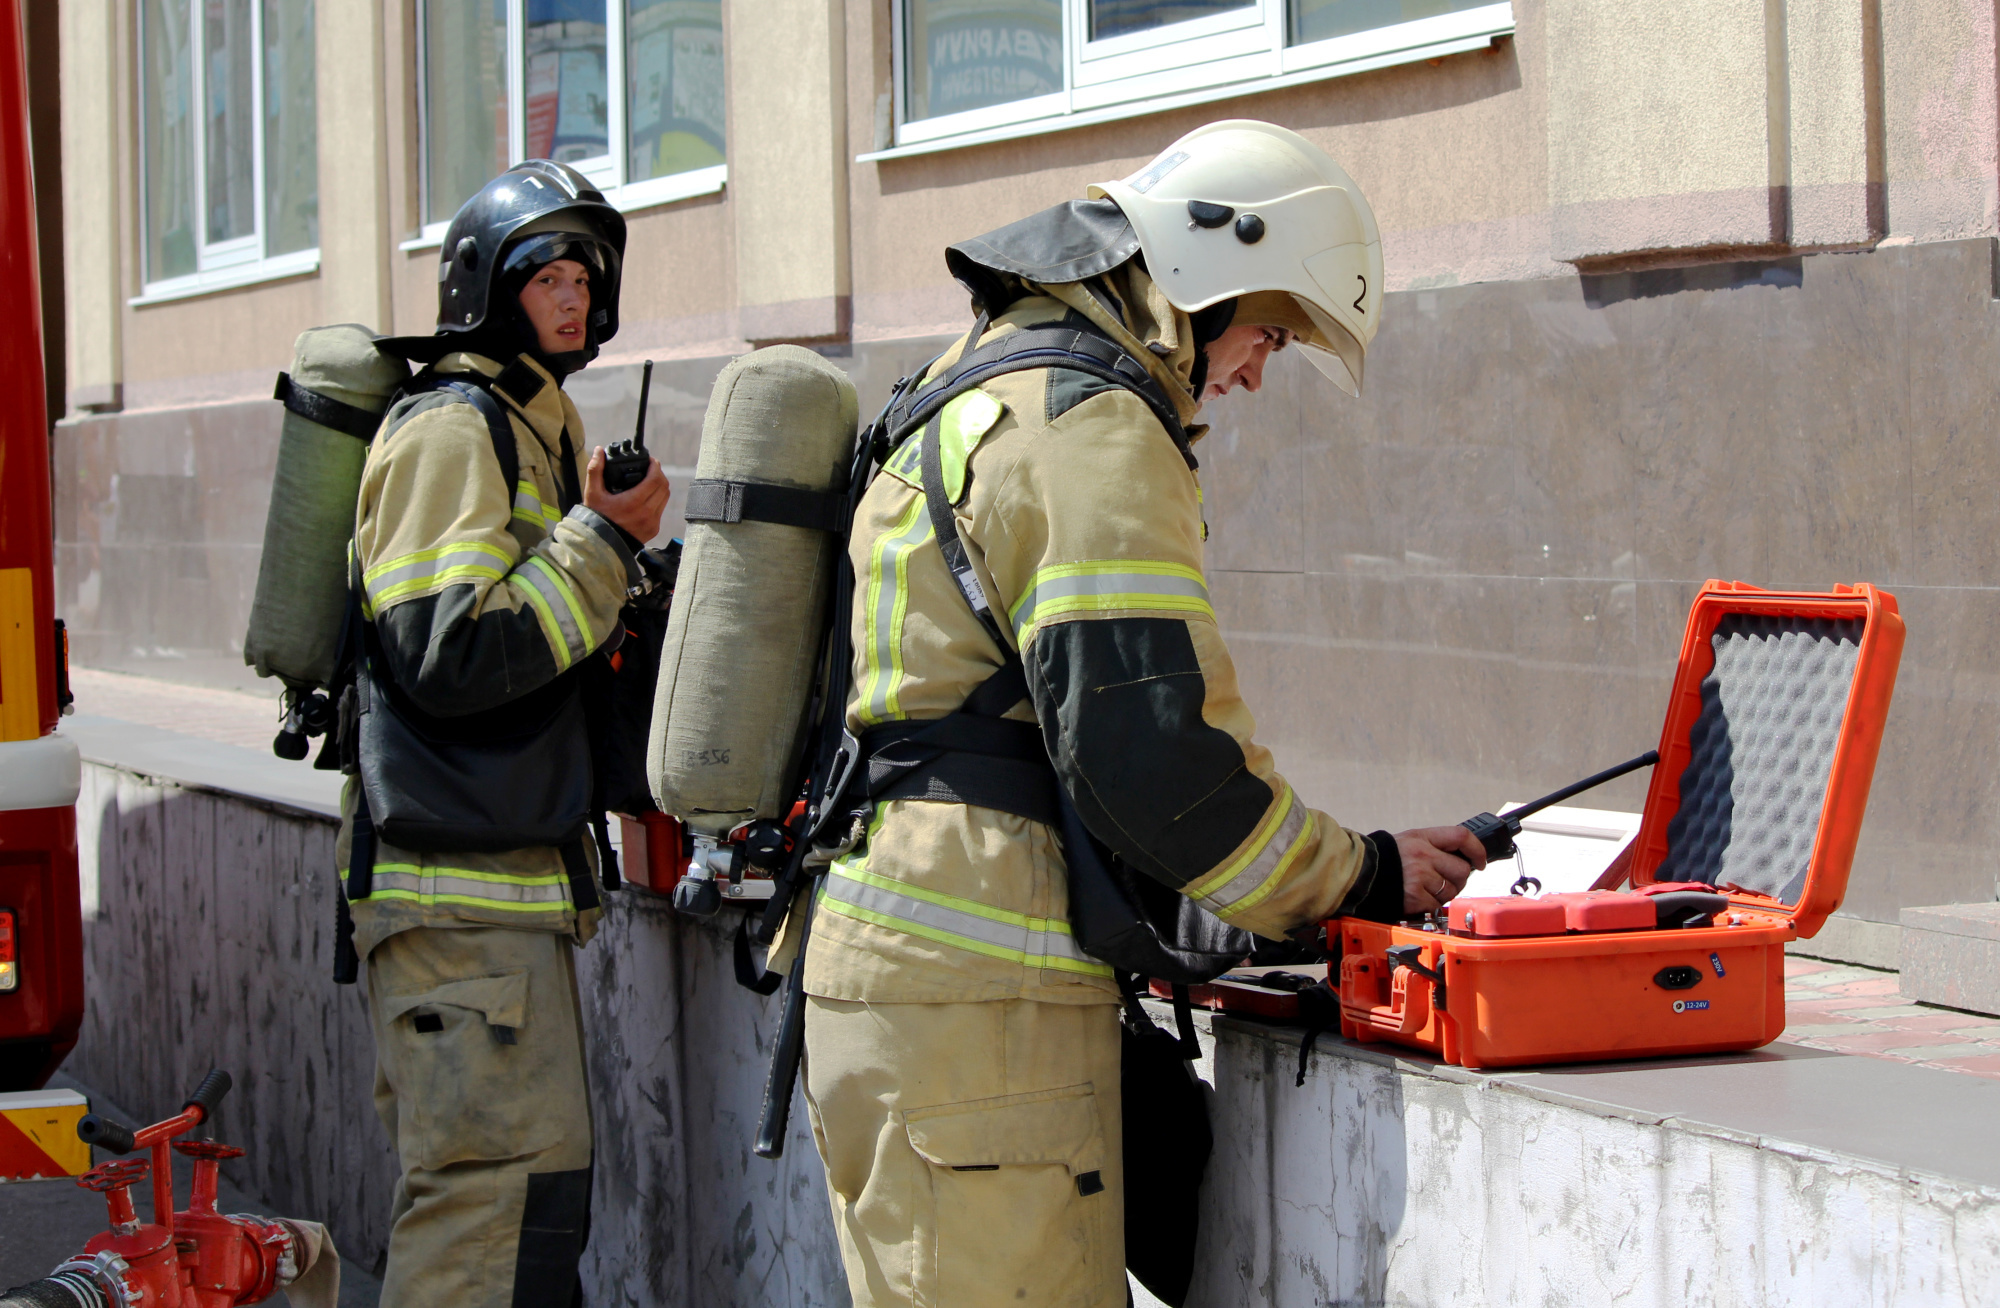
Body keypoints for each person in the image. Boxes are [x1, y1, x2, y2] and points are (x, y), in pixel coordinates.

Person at [799, 120, 1485, 1307]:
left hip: (911, 988)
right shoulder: (1088, 422)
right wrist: (1353, 878)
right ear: (1208, 278)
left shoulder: (976, 376)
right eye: (1269, 330)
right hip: (979, 1024)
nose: (1260, 370)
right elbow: (1151, 753)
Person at [339, 159, 669, 1307]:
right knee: (484, 1218)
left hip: (496, 903)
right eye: (545, 275)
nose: (574, 298)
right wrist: (601, 546)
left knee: (528, 1222)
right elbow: (447, 655)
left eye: (586, 276)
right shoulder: (450, 426)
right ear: (487, 287)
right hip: (453, 905)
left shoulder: (536, 426)